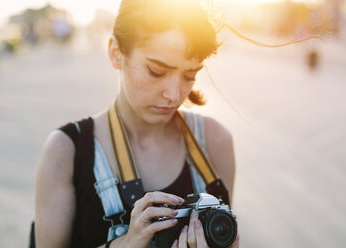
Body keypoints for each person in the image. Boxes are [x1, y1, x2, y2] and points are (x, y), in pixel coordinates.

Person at [34, 0, 239, 247]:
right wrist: (127, 243)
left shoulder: (216, 142)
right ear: (115, 53)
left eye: (189, 75)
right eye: (156, 71)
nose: (174, 95)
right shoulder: (66, 151)